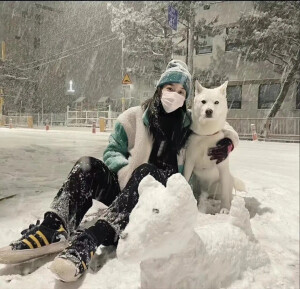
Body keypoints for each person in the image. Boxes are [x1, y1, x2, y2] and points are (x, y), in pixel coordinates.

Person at [0, 60, 239, 282]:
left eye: (181, 91)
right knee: (88, 166)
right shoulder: (135, 117)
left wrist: (228, 142)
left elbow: (221, 124)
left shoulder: (187, 124)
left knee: (147, 170)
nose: (174, 95)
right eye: (170, 87)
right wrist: (125, 171)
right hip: (127, 189)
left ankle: (91, 238)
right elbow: (113, 151)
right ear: (159, 89)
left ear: (186, 97)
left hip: (156, 203)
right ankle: (53, 227)